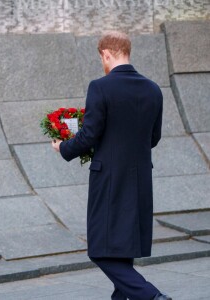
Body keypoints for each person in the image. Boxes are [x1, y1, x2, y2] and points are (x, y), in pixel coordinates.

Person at [52, 31, 171, 300]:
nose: (102, 64)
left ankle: (152, 296)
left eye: (102, 59)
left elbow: (90, 135)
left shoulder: (100, 87)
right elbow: (154, 137)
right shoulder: (153, 89)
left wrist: (63, 147)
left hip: (108, 179)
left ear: (106, 53)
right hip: (140, 179)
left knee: (100, 250)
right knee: (122, 248)